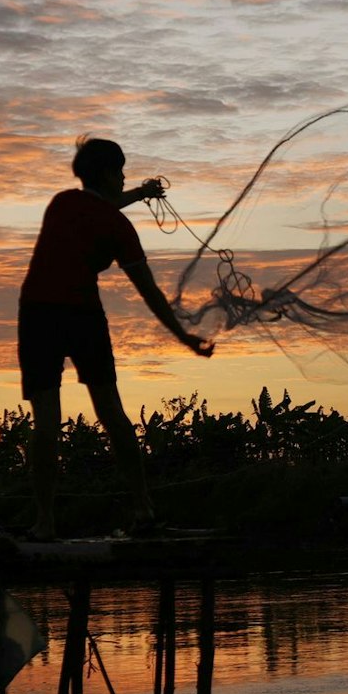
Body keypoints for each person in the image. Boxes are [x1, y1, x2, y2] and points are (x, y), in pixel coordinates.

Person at [18, 137, 212, 539]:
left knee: (46, 421)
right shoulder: (118, 227)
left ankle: (44, 522)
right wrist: (184, 337)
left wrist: (140, 193)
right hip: (83, 315)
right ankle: (143, 509)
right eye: (121, 172)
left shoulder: (62, 203)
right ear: (108, 174)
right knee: (111, 412)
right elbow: (149, 292)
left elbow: (99, 205)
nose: (124, 178)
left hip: (37, 312)